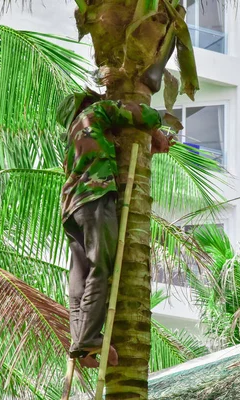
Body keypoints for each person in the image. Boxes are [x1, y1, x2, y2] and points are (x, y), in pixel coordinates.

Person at [58, 90, 177, 368]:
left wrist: (150, 145)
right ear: (86, 105)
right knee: (102, 266)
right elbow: (131, 112)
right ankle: (89, 337)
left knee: (81, 272)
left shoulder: (73, 139)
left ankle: (79, 341)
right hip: (95, 197)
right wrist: (158, 118)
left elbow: (118, 149)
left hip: (71, 209)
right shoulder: (94, 115)